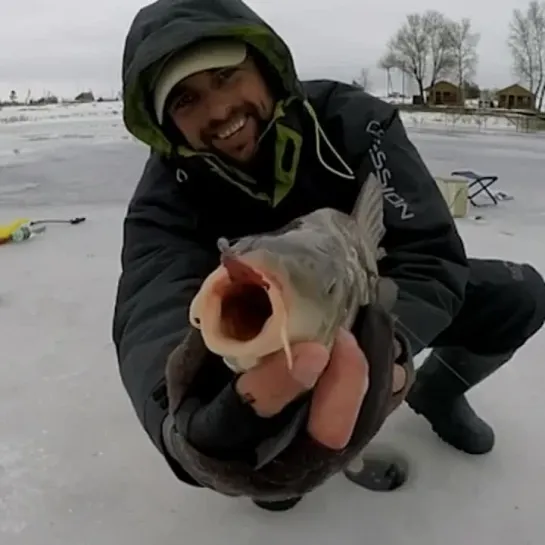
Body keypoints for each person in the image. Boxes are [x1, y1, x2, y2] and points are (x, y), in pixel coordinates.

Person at [112, 0, 545, 512]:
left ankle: (436, 393)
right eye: (186, 100)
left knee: (521, 294)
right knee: (272, 470)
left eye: (228, 75)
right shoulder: (164, 195)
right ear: (168, 125)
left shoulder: (353, 121)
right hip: (267, 345)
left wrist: (390, 357)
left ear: (266, 68)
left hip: (379, 297)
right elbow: (152, 306)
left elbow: (428, 254)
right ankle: (274, 445)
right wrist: (186, 429)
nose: (219, 109)